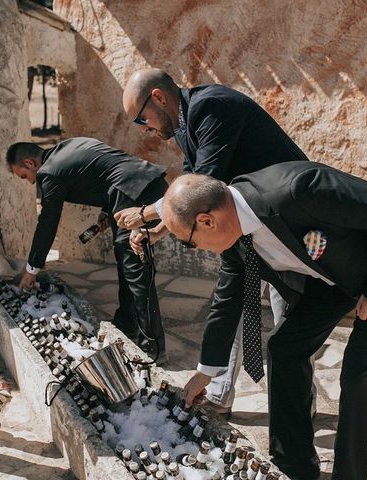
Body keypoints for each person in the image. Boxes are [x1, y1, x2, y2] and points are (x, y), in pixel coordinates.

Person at [162, 165, 367, 480]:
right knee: (284, 347)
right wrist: (206, 372)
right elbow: (227, 301)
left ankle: (349, 475)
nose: (193, 248)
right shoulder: (235, 240)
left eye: (187, 241)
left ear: (206, 221)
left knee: (355, 377)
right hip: (333, 280)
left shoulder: (298, 190)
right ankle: (294, 468)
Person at [115, 68, 311, 415]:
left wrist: (145, 213)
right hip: (244, 226)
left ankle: (298, 403)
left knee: (289, 321)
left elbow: (206, 183)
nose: (144, 129)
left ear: (158, 97)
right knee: (233, 307)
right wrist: (161, 230)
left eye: (140, 119)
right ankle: (219, 392)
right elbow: (190, 191)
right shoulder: (186, 125)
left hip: (287, 224)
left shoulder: (211, 107)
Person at [6, 137, 168, 361]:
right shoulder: (69, 146)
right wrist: (106, 211)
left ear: (30, 163)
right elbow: (108, 169)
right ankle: (126, 324)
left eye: (25, 176)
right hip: (142, 184)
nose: (31, 182)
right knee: (126, 259)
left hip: (134, 192)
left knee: (135, 268)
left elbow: (47, 223)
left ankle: (153, 347)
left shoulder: (49, 172)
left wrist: (31, 269)